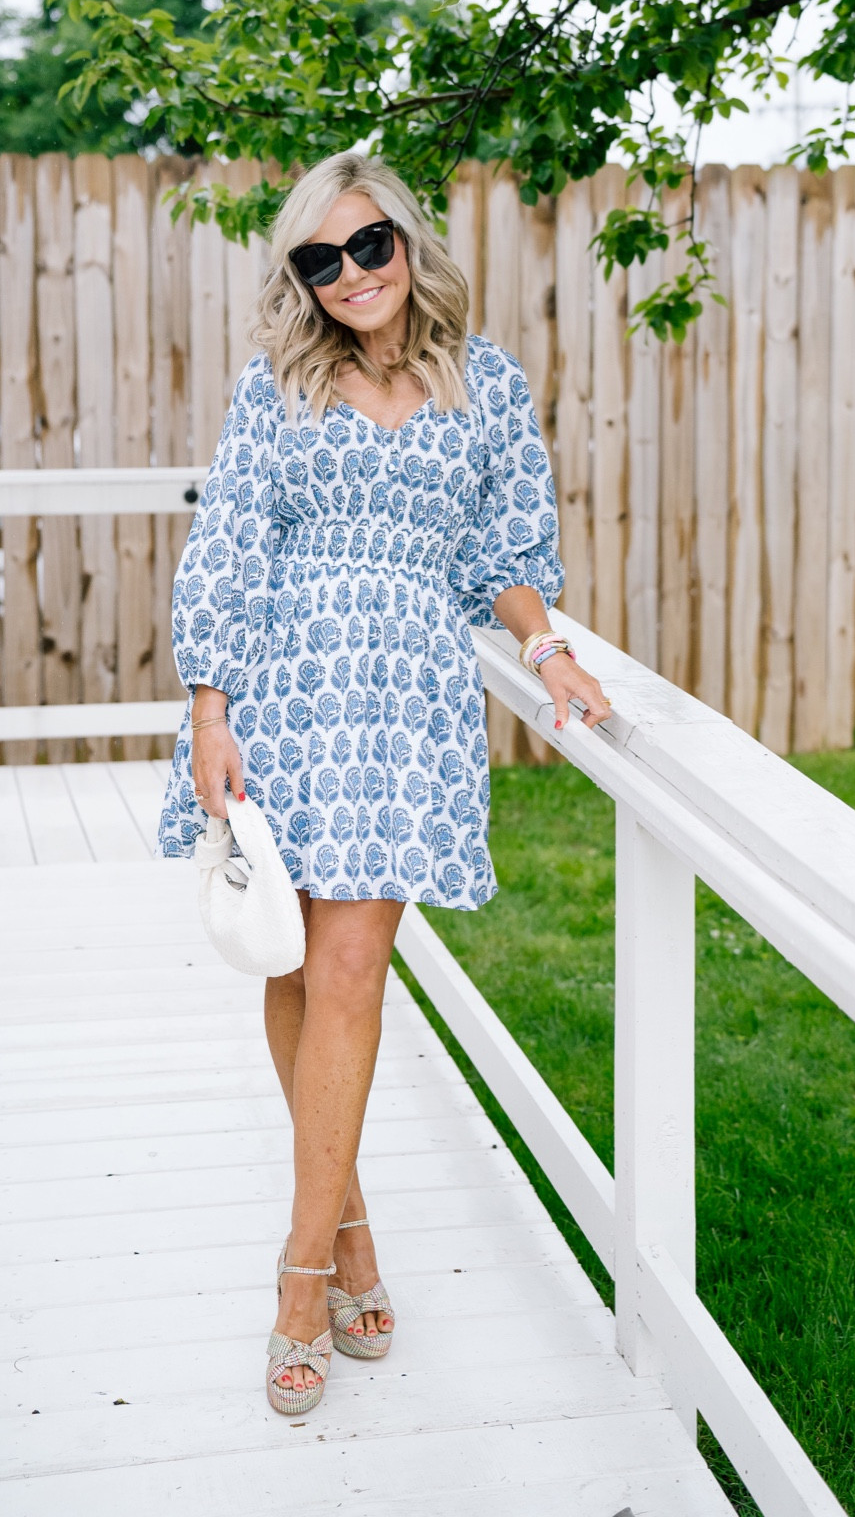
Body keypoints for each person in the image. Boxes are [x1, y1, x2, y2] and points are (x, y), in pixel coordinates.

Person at [156, 150, 612, 1416]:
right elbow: (231, 539)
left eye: (369, 246)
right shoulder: (278, 387)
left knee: (352, 968)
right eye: (319, 258)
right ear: (300, 278)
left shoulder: (489, 383)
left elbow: (504, 552)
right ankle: (351, 1239)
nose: (350, 274)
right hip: (286, 690)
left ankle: (299, 1280)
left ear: (409, 245)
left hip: (406, 701)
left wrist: (547, 643)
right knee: (297, 968)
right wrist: (210, 702)